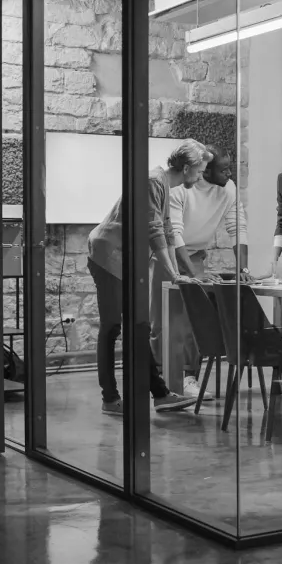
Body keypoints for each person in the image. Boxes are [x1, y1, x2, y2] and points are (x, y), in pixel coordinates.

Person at [87, 139, 210, 415]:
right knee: (112, 327)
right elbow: (154, 230)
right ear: (187, 168)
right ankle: (110, 399)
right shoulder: (154, 181)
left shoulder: (164, 184)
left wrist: (177, 273)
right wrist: (175, 275)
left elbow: (166, 229)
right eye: (200, 171)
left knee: (139, 326)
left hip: (125, 258)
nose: (201, 177)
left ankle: (161, 394)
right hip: (108, 254)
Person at [169, 144, 248, 388]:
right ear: (205, 171)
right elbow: (174, 233)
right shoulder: (180, 189)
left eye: (230, 168)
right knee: (169, 321)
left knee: (195, 319)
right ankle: (166, 379)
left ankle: (188, 377)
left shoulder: (229, 189)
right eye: (224, 170)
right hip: (168, 254)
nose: (230, 174)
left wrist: (242, 270)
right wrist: (193, 276)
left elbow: (238, 227)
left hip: (195, 255)